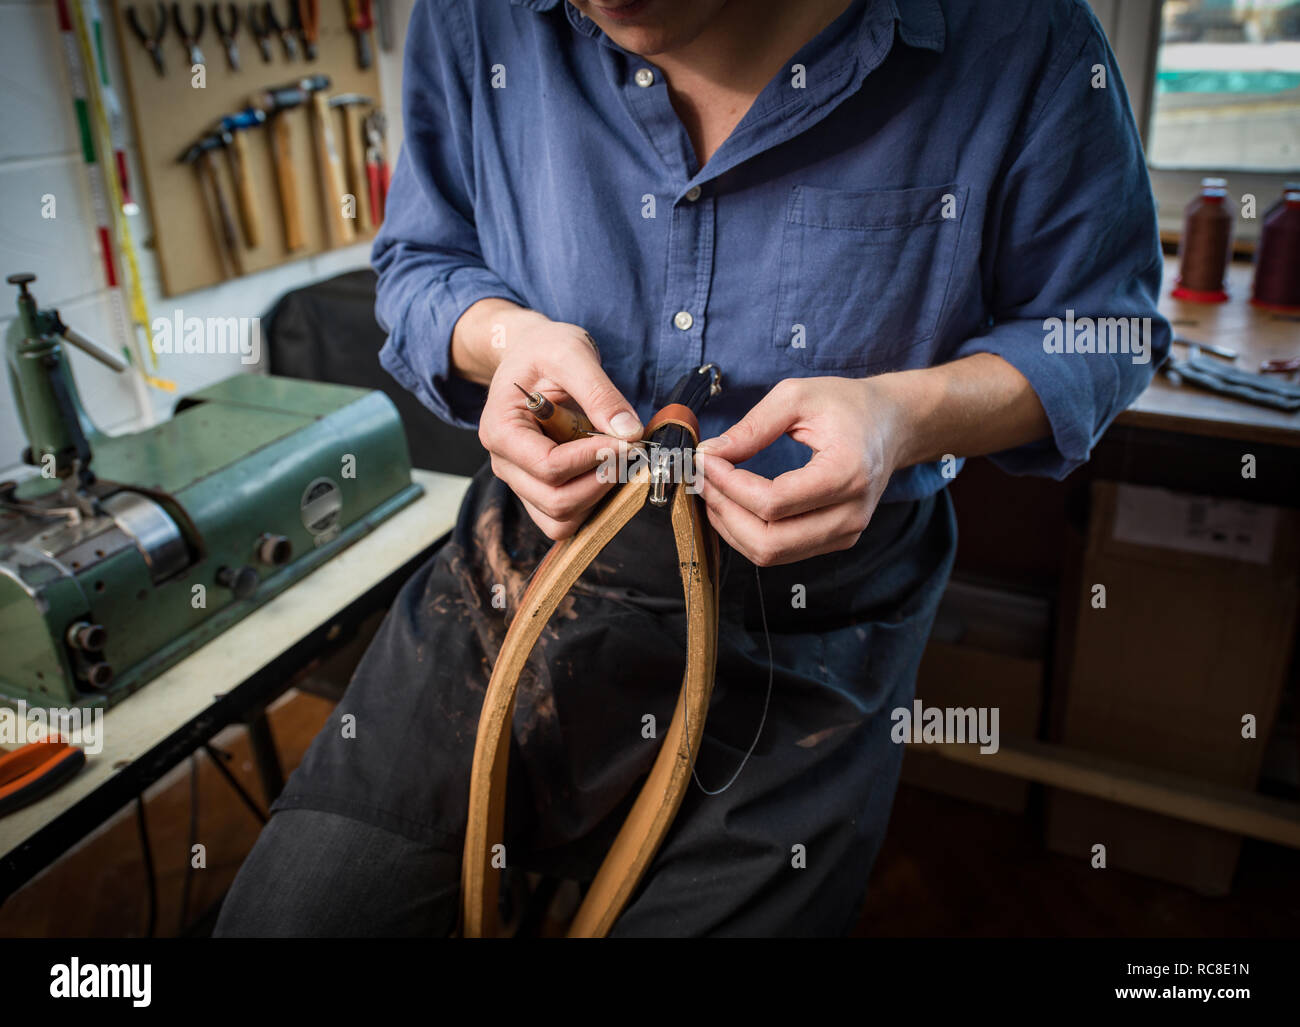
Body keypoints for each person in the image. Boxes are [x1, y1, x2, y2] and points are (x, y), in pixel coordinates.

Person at [216, 0, 1169, 936]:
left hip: (814, 625)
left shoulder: (1021, 34)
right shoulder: (475, 17)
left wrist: (902, 420)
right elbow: (420, 262)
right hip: (527, 567)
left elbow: (1103, 333)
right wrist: (505, 339)